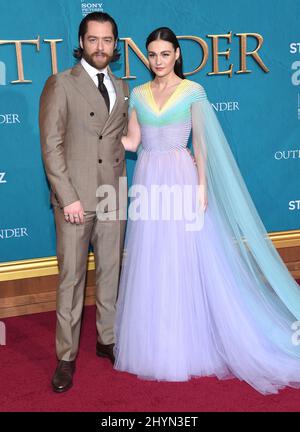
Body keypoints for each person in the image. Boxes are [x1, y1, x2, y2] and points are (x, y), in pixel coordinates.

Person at [114, 27, 300, 395]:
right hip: (149, 179)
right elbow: (132, 142)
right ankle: (158, 340)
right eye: (152, 54)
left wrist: (202, 187)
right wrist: (95, 138)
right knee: (154, 260)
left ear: (177, 55)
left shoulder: (193, 91)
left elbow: (201, 144)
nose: (158, 61)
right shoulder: (137, 93)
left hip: (182, 178)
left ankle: (191, 339)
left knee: (186, 259)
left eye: (165, 54)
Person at [39, 12, 129, 393]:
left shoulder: (122, 86)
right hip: (75, 201)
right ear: (82, 41)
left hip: (113, 196)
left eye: (107, 40)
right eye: (93, 40)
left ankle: (106, 339)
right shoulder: (60, 84)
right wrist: (68, 197)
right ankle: (66, 356)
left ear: (115, 45)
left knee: (111, 273)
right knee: (71, 280)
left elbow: (119, 141)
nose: (100, 47)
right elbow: (51, 147)